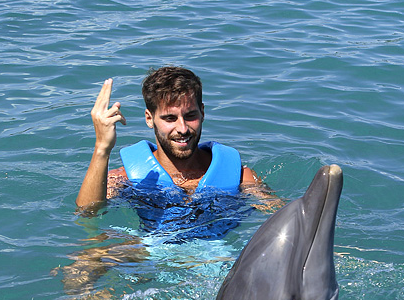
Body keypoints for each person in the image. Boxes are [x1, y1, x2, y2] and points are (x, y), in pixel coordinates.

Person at [75, 66, 278, 214]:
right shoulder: (127, 178)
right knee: (84, 266)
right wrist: (102, 148)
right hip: (149, 256)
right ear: (149, 118)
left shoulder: (239, 176)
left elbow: (284, 218)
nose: (182, 128)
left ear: (203, 113)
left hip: (218, 259)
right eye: (170, 118)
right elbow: (87, 213)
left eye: (190, 116)